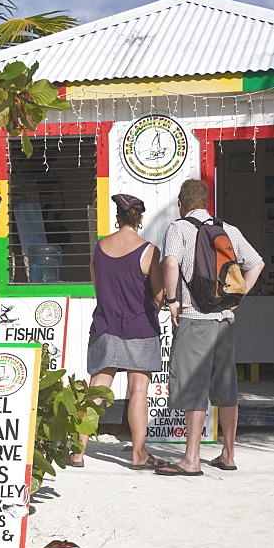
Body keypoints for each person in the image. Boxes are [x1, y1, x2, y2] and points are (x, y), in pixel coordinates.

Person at [156, 179, 264, 476]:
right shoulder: (229, 229)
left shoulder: (178, 228)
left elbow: (170, 263)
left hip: (195, 317)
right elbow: (256, 264)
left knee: (194, 385)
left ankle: (191, 459)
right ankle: (228, 454)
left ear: (181, 203)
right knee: (226, 387)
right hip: (224, 320)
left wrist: (172, 300)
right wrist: (237, 297)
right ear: (206, 202)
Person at [68, 193, 167, 470]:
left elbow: (98, 287)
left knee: (96, 390)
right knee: (138, 391)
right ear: (140, 219)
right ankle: (138, 455)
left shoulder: (99, 247)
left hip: (105, 325)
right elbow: (159, 295)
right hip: (140, 326)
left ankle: (78, 452)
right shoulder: (149, 250)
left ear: (118, 217)